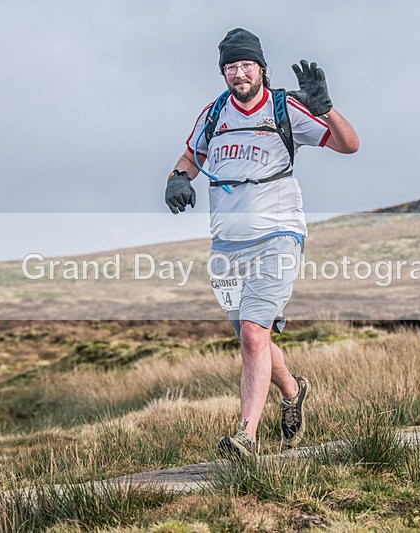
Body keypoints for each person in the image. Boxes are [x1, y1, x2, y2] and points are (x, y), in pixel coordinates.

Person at [164, 28, 359, 457]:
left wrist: (326, 108)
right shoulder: (214, 114)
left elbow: (349, 145)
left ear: (261, 68)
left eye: (246, 65)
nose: (239, 73)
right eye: (231, 67)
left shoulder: (285, 107)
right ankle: (293, 391)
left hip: (278, 236)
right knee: (255, 338)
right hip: (226, 247)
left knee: (254, 334)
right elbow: (191, 157)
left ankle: (245, 438)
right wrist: (177, 180)